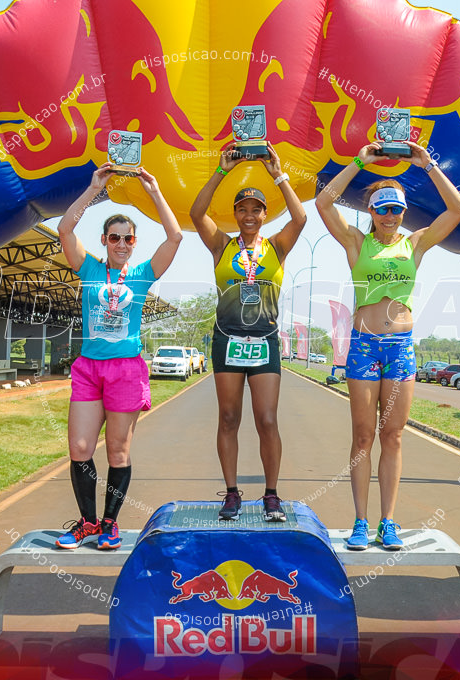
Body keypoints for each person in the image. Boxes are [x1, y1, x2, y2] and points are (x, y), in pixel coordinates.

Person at [315, 141, 460, 550]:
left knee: (393, 436)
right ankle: (361, 522)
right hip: (364, 346)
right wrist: (359, 162)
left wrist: (429, 165)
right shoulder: (355, 243)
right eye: (382, 208)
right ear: (371, 212)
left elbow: (457, 211)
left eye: (396, 208)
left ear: (403, 211)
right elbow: (324, 204)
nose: (389, 216)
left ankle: (388, 522)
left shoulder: (414, 243)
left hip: (400, 348)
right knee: (363, 435)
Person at [54, 164, 181, 550]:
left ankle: (110, 523)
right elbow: (64, 229)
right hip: (89, 368)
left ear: (135, 242)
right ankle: (87, 522)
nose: (121, 244)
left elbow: (175, 236)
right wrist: (95, 188)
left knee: (117, 450)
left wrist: (155, 190)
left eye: (128, 238)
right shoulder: (89, 267)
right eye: (114, 238)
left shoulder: (142, 273)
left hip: (126, 369)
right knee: (79, 448)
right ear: (105, 240)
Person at [189, 143, 306, 522]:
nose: (250, 215)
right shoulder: (221, 245)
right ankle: (233, 494)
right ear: (236, 214)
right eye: (243, 209)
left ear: (265, 214)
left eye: (256, 209)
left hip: (264, 342)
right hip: (227, 340)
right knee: (228, 418)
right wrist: (222, 171)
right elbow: (195, 213)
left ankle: (271, 494)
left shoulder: (277, 247)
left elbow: (301, 217)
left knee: (267, 419)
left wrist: (278, 173)